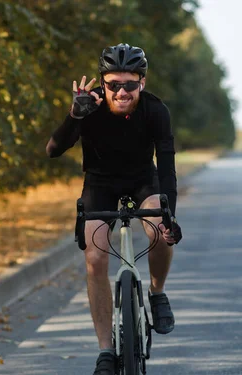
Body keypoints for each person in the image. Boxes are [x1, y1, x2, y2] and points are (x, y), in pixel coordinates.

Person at [46, 43, 182, 375]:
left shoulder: (156, 111)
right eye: (113, 85)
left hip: (142, 180)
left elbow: (166, 168)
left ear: (142, 83)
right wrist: (73, 116)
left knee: (160, 230)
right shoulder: (87, 109)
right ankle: (106, 350)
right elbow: (52, 150)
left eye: (130, 84)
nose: (122, 92)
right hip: (100, 183)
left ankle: (157, 292)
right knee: (94, 258)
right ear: (103, 84)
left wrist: (170, 216)